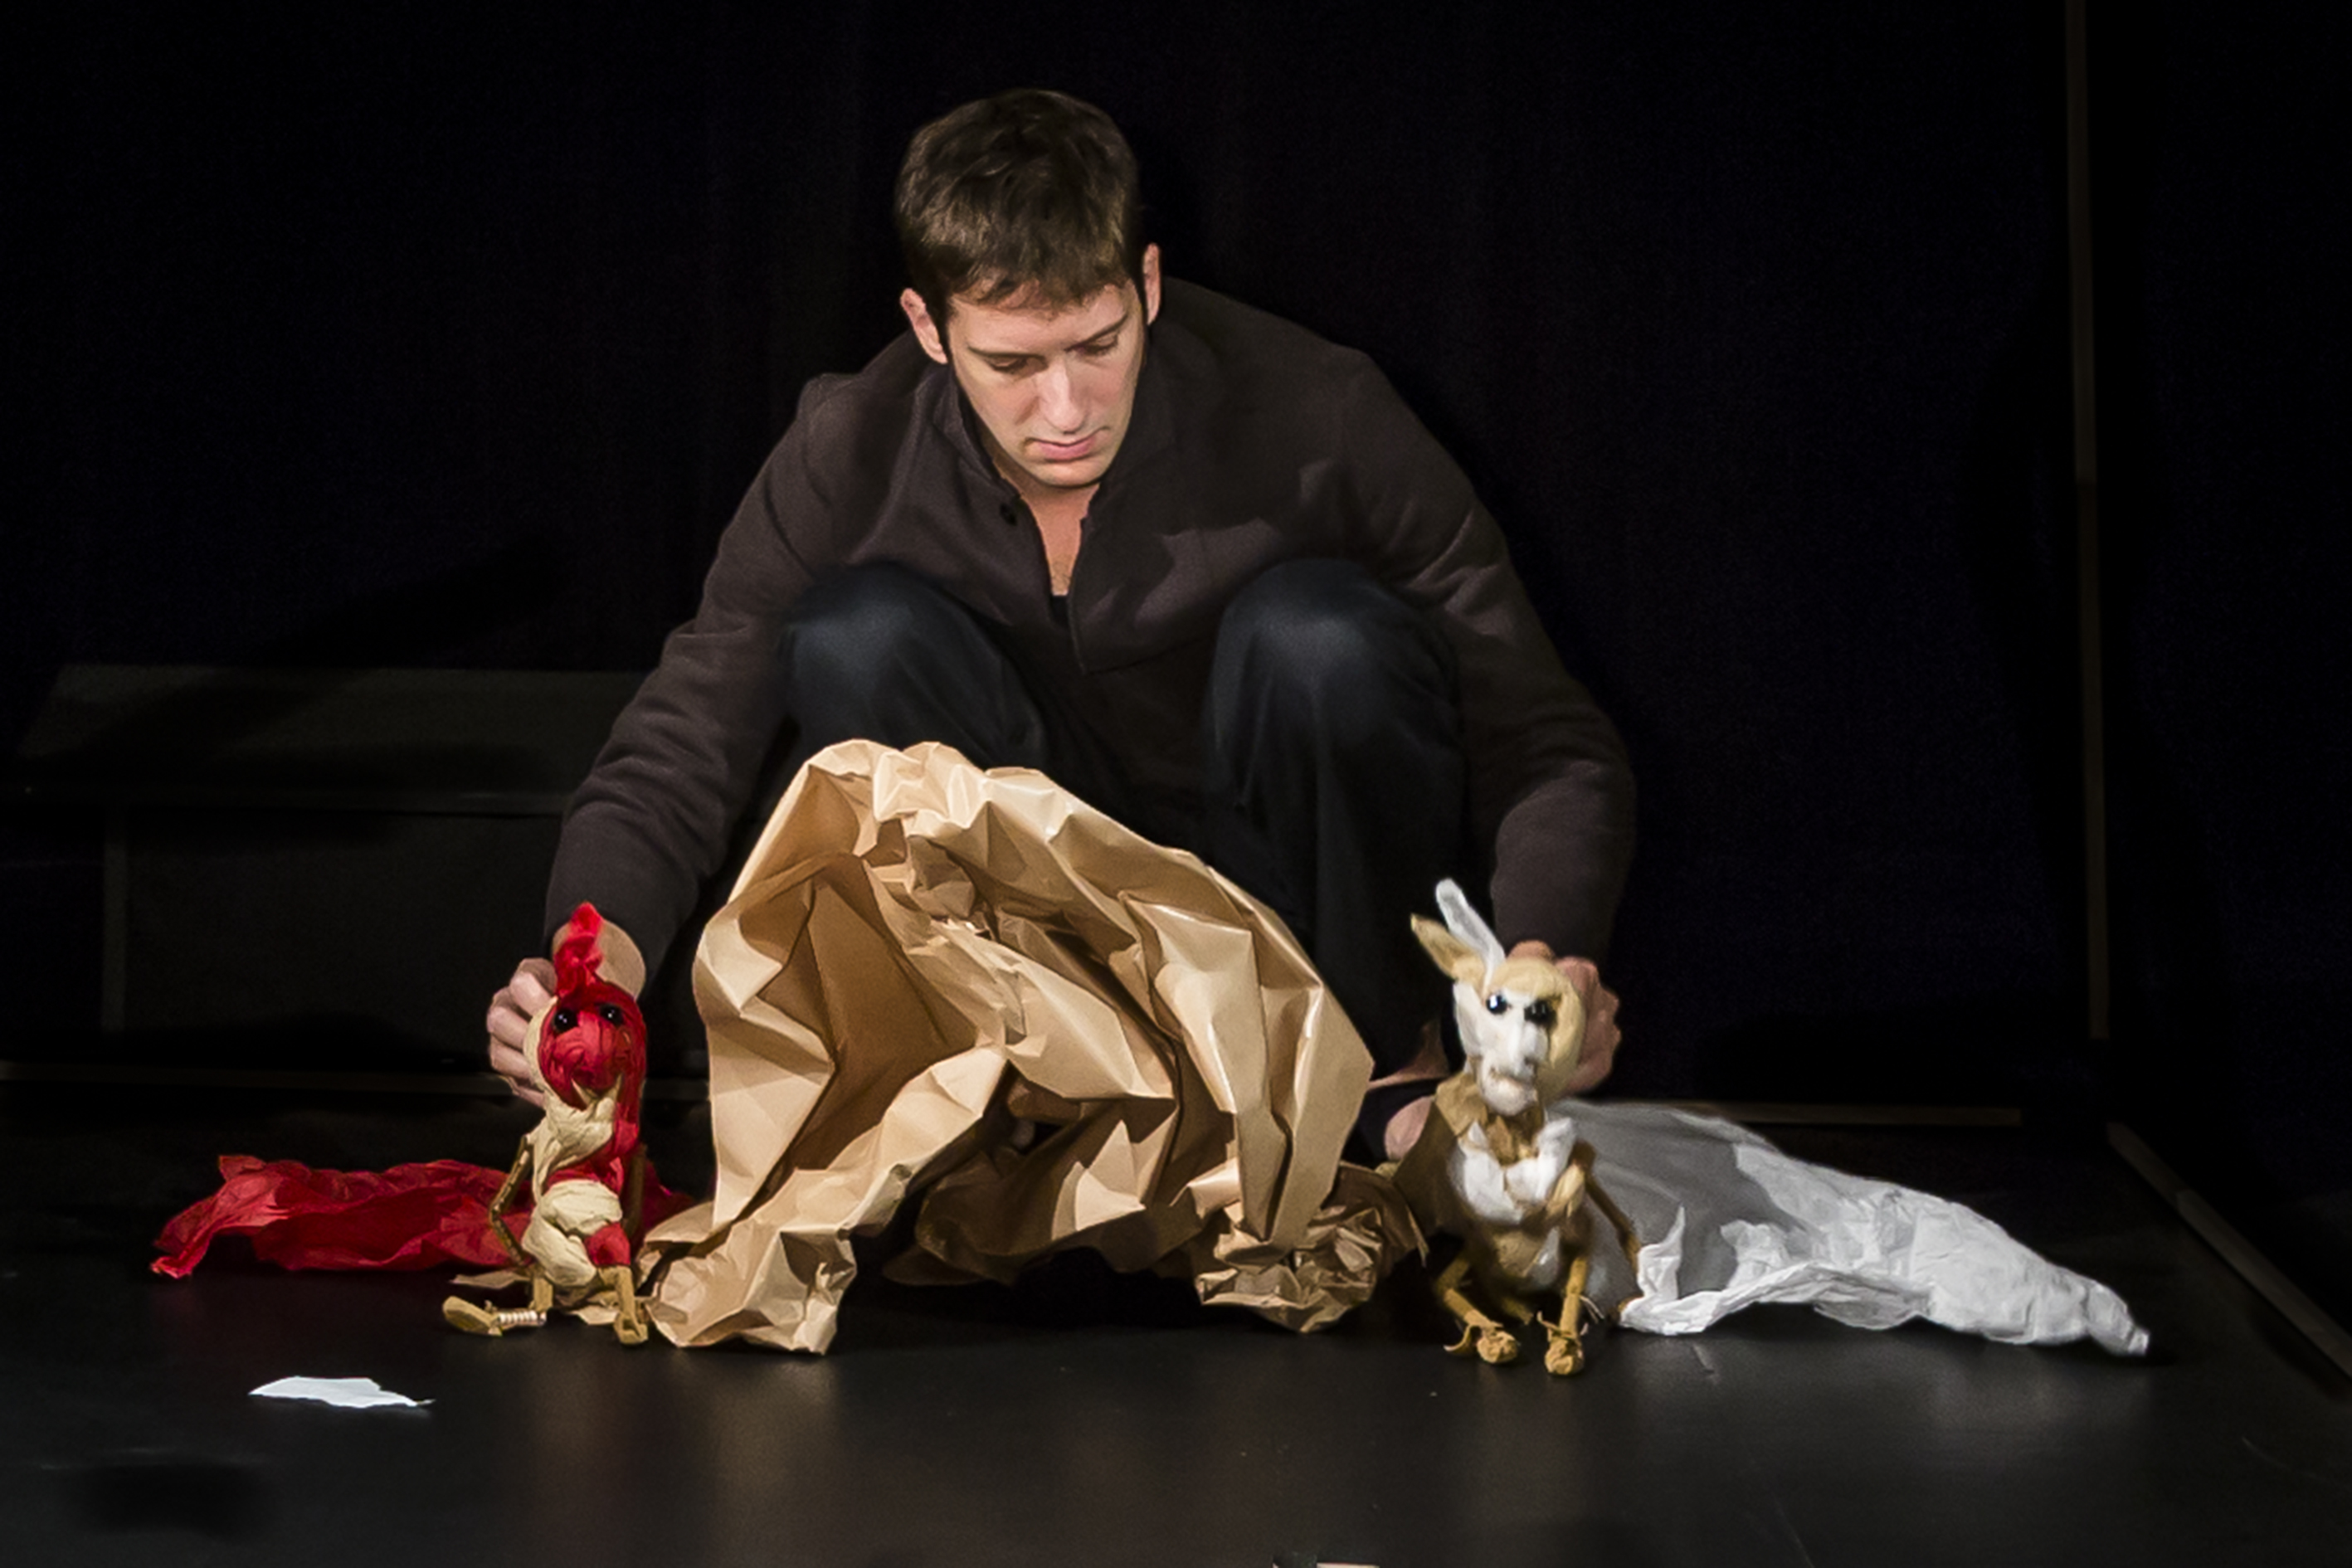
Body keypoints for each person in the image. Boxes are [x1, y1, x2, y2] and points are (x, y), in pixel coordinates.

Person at [489, 89, 1633, 1161]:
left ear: (1148, 282)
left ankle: (1370, 1080)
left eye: (1098, 342)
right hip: (1045, 944)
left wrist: (1545, 962)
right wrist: (593, 979)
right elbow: (684, 742)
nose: (1068, 408)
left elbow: (1541, 735)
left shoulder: (1321, 411)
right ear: (929, 327)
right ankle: (1019, 1094)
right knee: (855, 638)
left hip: (1299, 926)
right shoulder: (853, 447)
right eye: (1013, 363)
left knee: (1317, 639)